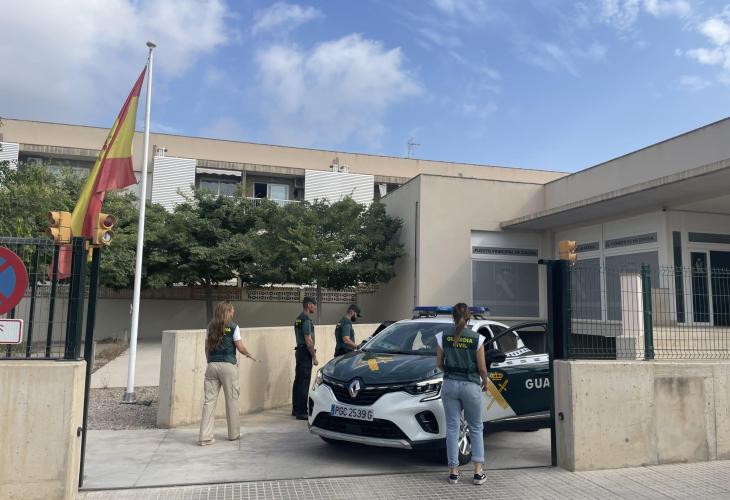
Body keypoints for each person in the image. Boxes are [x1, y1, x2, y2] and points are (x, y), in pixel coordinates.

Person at [435, 303, 489, 486]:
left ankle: (453, 472)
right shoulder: (477, 338)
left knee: (452, 428)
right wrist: (485, 382)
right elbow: (482, 368)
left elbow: (439, 364)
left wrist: (450, 372)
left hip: (450, 385)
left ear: (453, 317)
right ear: (468, 318)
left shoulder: (442, 337)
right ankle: (478, 473)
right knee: (476, 428)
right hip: (470, 385)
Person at [198, 302, 256, 446]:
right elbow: (240, 347)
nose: (234, 311)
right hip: (228, 366)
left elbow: (206, 348)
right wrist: (249, 354)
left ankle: (205, 437)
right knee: (232, 400)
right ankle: (233, 434)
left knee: (209, 402)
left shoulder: (210, 326)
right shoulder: (234, 327)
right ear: (228, 311)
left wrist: (210, 361)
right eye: (232, 309)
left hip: (211, 366)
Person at [292, 296, 318, 420]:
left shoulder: (298, 319)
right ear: (309, 305)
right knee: (304, 382)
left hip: (299, 351)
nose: (315, 307)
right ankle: (302, 411)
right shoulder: (306, 320)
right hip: (305, 353)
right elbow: (308, 340)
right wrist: (314, 356)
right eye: (314, 305)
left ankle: (296, 409)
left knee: (298, 380)